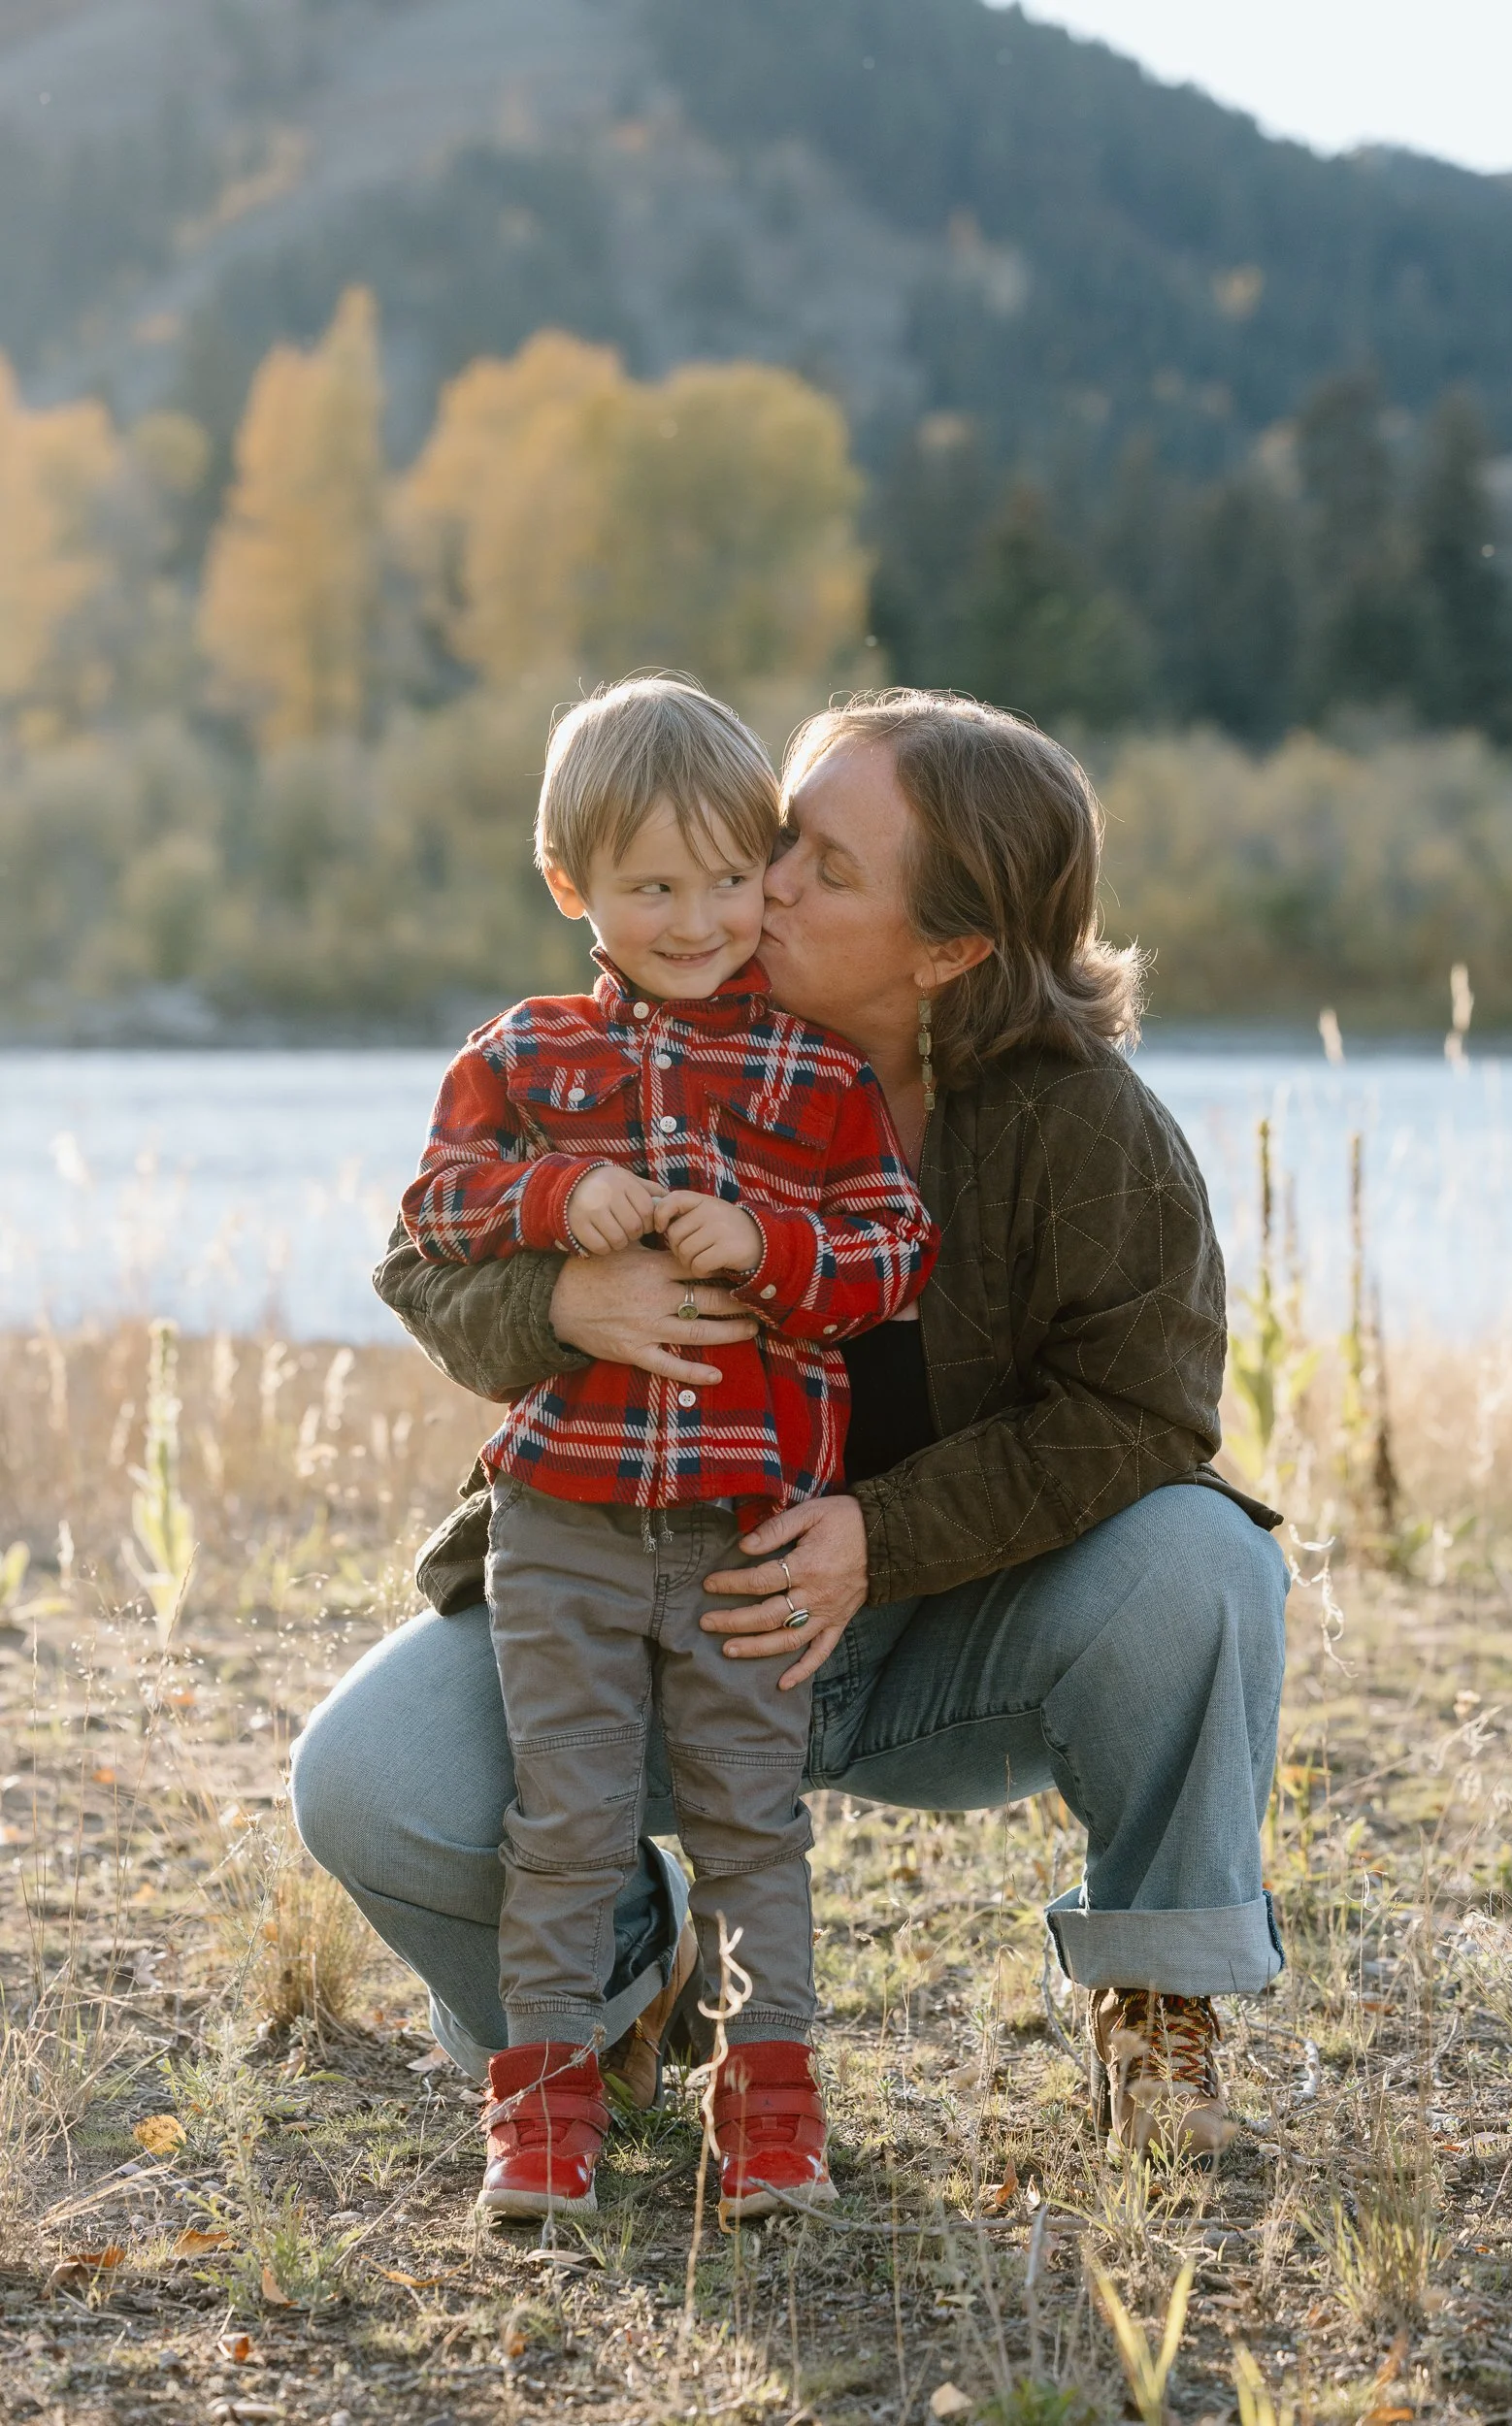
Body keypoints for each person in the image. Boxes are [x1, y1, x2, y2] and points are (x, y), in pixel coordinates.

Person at [292, 688, 1289, 2166]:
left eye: (822, 867)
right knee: (369, 1784)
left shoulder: (1088, 1128)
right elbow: (422, 1258)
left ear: (947, 950)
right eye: (779, 838)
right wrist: (559, 1302)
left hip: (950, 1639)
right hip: (631, 1606)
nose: (755, 888)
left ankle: (1159, 2018)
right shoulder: (632, 1037)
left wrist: (881, 1537)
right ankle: (636, 1990)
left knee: (1209, 1563)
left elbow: (1143, 1412)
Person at [396, 677, 936, 2219]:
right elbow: (431, 1212)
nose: (696, 921)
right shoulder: (524, 1058)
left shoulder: (820, 1077)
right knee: (563, 1823)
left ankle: (770, 2105)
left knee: (749, 1824)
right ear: (571, 885)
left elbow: (896, 1257)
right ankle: (544, 2102)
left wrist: (768, 1246)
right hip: (561, 1522)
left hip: (744, 1535)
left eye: (724, 879)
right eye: (650, 888)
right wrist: (555, 1204)